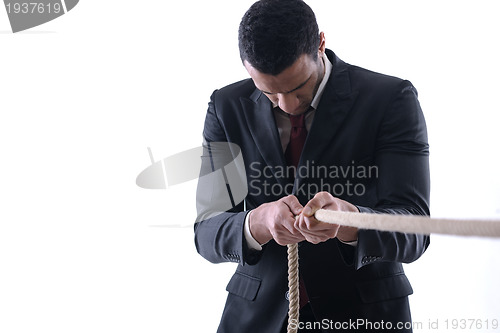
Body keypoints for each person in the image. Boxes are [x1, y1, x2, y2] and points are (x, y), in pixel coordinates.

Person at [194, 0, 430, 332]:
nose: (287, 105)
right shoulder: (226, 106)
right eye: (270, 94)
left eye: (297, 87)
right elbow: (205, 233)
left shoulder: (391, 99)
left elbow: (416, 229)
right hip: (255, 319)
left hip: (366, 317)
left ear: (320, 43)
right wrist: (257, 223)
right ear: (247, 68)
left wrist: (348, 224)